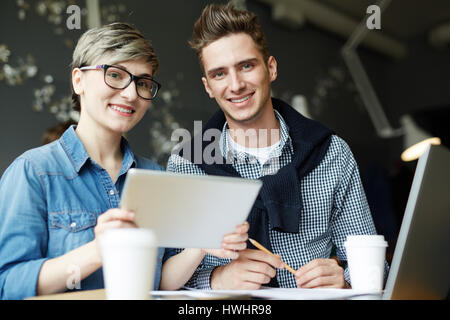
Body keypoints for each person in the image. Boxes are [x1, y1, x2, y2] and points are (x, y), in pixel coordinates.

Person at [0, 22, 247, 299]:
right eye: (115, 75)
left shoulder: (153, 175)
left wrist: (200, 245)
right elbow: (8, 284)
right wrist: (98, 250)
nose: (131, 94)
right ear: (78, 80)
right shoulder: (33, 172)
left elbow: (158, 283)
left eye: (142, 82)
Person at [167, 3, 388, 290]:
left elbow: (373, 266)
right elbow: (162, 278)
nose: (235, 85)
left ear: (270, 68)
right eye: (219, 74)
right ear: (208, 86)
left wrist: (345, 280)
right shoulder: (187, 165)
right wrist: (217, 279)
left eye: (246, 66)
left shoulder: (332, 153)